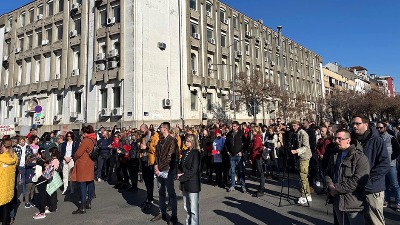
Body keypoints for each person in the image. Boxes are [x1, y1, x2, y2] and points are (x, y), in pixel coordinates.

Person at [350, 115, 390, 225]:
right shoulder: (352, 141)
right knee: (364, 220)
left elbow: (385, 164)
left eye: (357, 124)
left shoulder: (376, 140)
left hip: (372, 188)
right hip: (356, 188)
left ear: (366, 124)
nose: (354, 126)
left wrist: (369, 179)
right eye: (353, 124)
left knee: (375, 220)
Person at [325, 129, 370, 225]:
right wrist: (329, 184)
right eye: (335, 138)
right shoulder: (335, 155)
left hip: (353, 203)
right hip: (338, 201)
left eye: (339, 139)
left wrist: (336, 188)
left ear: (348, 140)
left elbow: (358, 181)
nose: (336, 141)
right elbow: (328, 172)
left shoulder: (360, 157)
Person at [152, 122, 178, 225]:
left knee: (171, 193)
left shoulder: (172, 141)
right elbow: (156, 154)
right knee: (161, 191)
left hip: (168, 169)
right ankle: (162, 212)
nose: (159, 129)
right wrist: (155, 165)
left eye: (161, 127)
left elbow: (170, 157)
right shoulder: (160, 141)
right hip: (160, 169)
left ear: (165, 129)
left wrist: (160, 169)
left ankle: (174, 216)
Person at [70, 125, 96, 214]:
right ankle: (89, 202)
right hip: (90, 163)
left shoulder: (86, 140)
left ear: (85, 133)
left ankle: (83, 206)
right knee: (90, 183)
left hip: (83, 164)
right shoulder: (93, 139)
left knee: (82, 184)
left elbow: (79, 152)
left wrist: (74, 156)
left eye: (83, 133)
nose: (82, 135)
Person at [375, 122, 400, 210]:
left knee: (394, 184)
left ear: (385, 128)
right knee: (384, 184)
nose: (378, 129)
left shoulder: (391, 138)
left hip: (391, 165)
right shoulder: (376, 139)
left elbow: (397, 150)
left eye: (380, 128)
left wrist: (391, 158)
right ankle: (387, 200)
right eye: (377, 128)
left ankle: (398, 202)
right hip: (381, 166)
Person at [178, 134, 201, 225]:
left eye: (188, 141)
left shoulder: (196, 153)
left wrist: (182, 176)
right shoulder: (185, 152)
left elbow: (194, 170)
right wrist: (179, 172)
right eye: (185, 141)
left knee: (194, 209)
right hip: (185, 183)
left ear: (192, 142)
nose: (186, 143)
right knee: (186, 207)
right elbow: (181, 166)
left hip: (193, 183)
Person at [290, 120, 312, 204]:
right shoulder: (296, 133)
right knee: (303, 176)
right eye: (292, 126)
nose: (293, 127)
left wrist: (296, 151)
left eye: (295, 126)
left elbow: (306, 147)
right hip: (300, 157)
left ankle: (303, 196)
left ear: (298, 125)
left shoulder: (303, 133)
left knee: (303, 176)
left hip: (304, 156)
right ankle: (308, 194)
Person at [139, 123, 159, 210]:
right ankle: (148, 197)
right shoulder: (143, 137)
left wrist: (145, 147)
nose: (141, 133)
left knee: (150, 180)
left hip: (150, 161)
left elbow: (156, 149)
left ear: (146, 129)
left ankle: (150, 199)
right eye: (141, 132)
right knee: (146, 180)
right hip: (143, 159)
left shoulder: (154, 136)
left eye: (142, 131)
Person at [0, 138, 18, 224]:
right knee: (6, 206)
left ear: (3, 146)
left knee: (2, 206)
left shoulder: (1, 158)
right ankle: (6, 222)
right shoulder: (14, 157)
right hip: (10, 186)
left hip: (1, 185)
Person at [225, 121, 246, 193]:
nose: (233, 127)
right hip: (231, 155)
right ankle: (232, 185)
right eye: (232, 126)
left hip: (238, 155)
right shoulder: (229, 134)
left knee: (241, 170)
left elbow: (246, 143)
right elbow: (226, 144)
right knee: (232, 171)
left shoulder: (241, 133)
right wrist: (227, 151)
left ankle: (243, 186)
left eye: (234, 126)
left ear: (237, 126)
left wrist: (242, 152)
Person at [249, 126, 265, 197]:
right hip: (257, 157)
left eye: (253, 131)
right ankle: (261, 187)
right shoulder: (255, 138)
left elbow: (254, 150)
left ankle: (261, 189)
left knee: (261, 174)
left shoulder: (257, 138)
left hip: (258, 157)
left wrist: (251, 159)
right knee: (260, 173)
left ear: (256, 131)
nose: (252, 132)